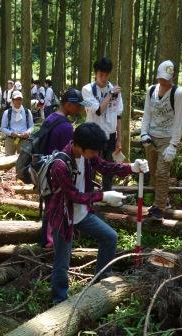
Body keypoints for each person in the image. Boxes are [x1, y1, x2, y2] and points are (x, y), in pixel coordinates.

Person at [47, 122, 149, 303]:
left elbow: (105, 166)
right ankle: (59, 299)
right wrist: (103, 196)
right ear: (79, 145)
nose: (95, 156)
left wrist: (131, 167)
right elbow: (73, 196)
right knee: (62, 262)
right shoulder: (60, 165)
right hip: (64, 216)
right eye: (93, 152)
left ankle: (100, 279)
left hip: (83, 213)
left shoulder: (88, 155)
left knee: (110, 237)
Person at [41, 88, 90, 247]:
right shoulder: (67, 128)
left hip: (45, 169)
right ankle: (53, 243)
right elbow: (70, 155)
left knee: (48, 206)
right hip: (58, 173)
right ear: (68, 104)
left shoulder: (50, 118)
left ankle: (45, 240)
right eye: (77, 106)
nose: (79, 109)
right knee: (57, 207)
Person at [141, 60, 182, 222]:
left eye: (166, 78)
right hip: (151, 137)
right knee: (153, 173)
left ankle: (159, 207)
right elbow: (147, 113)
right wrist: (144, 133)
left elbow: (180, 120)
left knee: (162, 173)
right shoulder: (151, 90)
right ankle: (162, 199)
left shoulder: (177, 93)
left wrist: (174, 144)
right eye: (161, 77)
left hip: (167, 139)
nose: (163, 81)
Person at [82, 57, 124, 191]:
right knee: (90, 167)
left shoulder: (115, 91)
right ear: (95, 73)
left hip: (110, 135)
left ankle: (107, 195)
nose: (104, 78)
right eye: (101, 74)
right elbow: (98, 111)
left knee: (109, 168)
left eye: (106, 75)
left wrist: (119, 139)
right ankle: (88, 195)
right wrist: (110, 94)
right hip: (92, 135)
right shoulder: (87, 90)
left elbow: (118, 115)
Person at [0, 91, 34, 156]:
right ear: (12, 100)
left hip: (24, 140)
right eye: (16, 99)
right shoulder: (7, 112)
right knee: (7, 161)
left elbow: (31, 126)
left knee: (23, 161)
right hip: (10, 140)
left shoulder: (27, 112)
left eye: (20, 99)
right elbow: (3, 128)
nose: (18, 101)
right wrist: (11, 133)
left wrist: (28, 132)